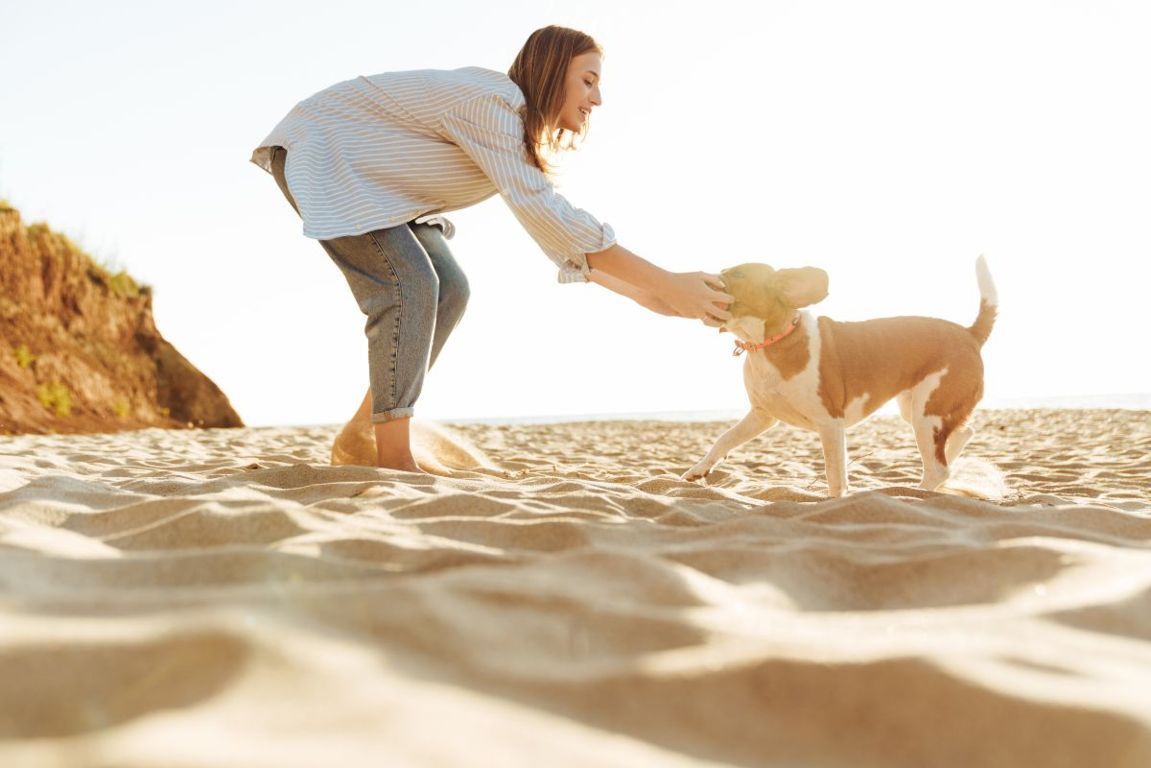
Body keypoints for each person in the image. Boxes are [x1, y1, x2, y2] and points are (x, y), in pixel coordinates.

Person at [251, 25, 732, 472]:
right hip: (326, 150)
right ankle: (393, 458)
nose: (598, 98)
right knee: (411, 284)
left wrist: (665, 300)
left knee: (450, 288)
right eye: (588, 81)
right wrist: (667, 283)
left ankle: (362, 433)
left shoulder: (512, 133)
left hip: (375, 181)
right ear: (551, 71)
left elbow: (566, 241)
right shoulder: (495, 105)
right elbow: (551, 217)